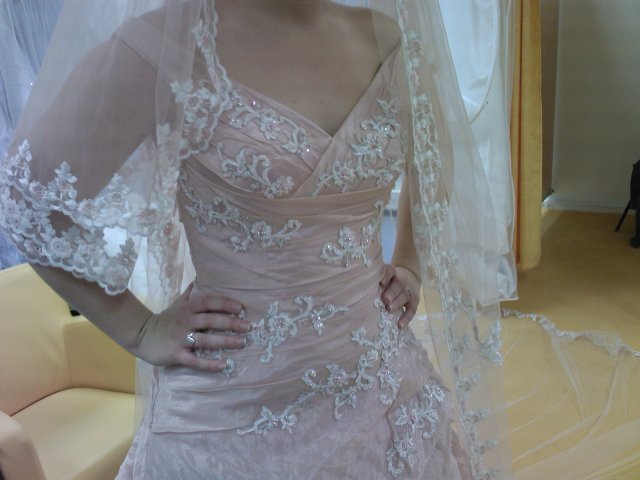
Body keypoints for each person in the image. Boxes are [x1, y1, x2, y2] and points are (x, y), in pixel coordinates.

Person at [0, 0, 513, 478]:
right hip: (233, 416)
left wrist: (410, 262)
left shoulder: (386, 38)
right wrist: (140, 329)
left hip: (384, 391)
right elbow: (27, 201)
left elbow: (435, 151)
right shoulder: (164, 48)